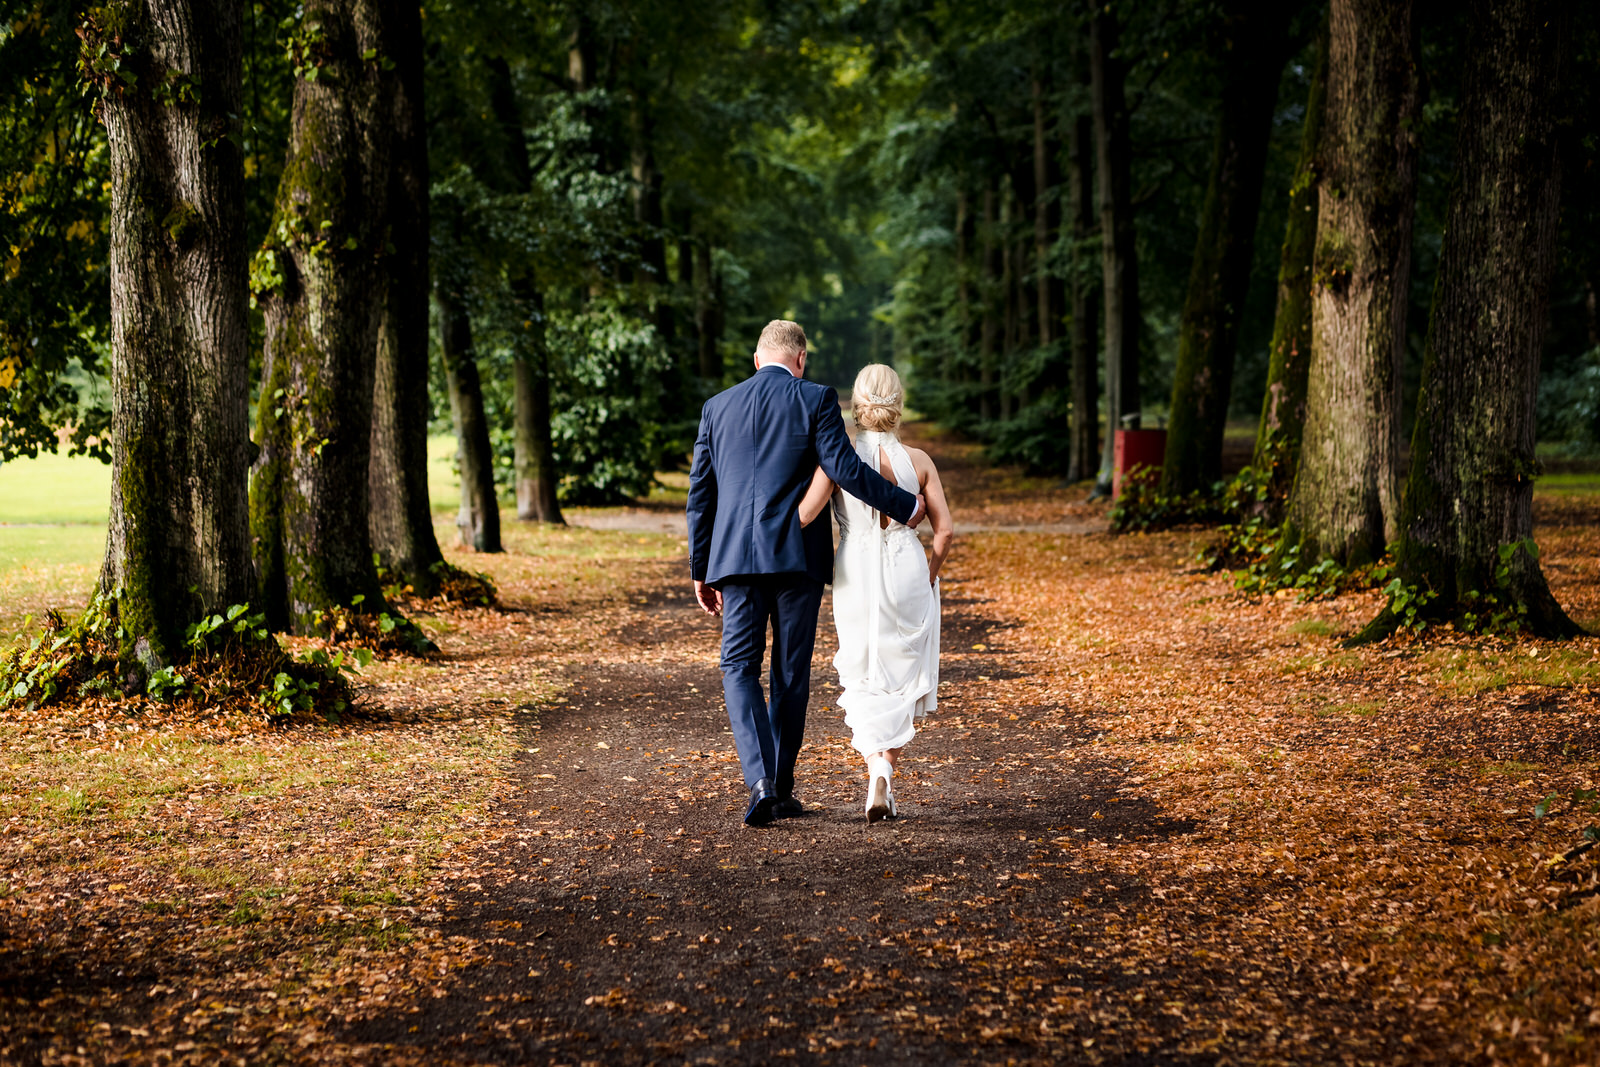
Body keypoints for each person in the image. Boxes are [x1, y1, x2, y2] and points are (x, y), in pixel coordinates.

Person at [686, 321, 927, 827]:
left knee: (738, 667)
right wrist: (905, 506)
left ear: (757, 360)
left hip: (733, 560)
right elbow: (844, 469)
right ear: (800, 359)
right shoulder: (815, 398)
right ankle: (782, 784)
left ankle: (761, 783)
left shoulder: (716, 407)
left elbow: (701, 495)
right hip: (796, 558)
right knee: (790, 672)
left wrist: (700, 568)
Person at [797, 364, 953, 822]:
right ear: (898, 404)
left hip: (856, 568)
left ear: (855, 406)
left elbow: (806, 514)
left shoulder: (837, 457)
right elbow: (943, 532)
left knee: (864, 667)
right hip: (906, 563)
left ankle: (875, 770)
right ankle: (885, 767)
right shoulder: (919, 461)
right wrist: (929, 574)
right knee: (899, 674)